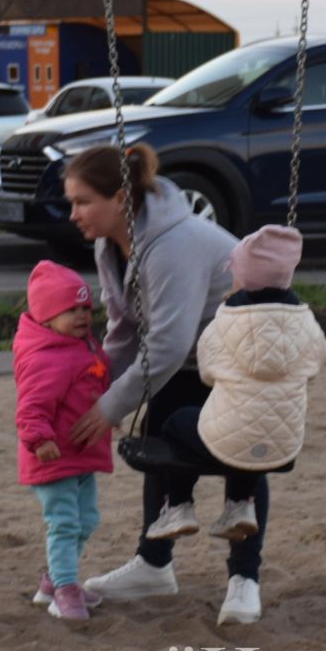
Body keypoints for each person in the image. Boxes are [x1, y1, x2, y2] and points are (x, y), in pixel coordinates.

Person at [63, 143, 272, 626]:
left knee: (243, 453)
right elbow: (124, 327)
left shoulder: (171, 245)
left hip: (247, 359)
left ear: (119, 198)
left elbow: (167, 345)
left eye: (82, 202)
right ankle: (153, 565)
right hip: (197, 354)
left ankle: (245, 579)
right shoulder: (108, 244)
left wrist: (109, 409)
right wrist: (93, 390)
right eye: (71, 202)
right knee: (157, 434)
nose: (72, 213)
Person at [152, 224, 326, 541]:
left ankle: (178, 505)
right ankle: (241, 504)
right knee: (253, 426)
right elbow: (317, 362)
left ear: (244, 278)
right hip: (284, 442)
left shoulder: (226, 321)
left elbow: (207, 371)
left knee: (178, 422)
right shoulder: (305, 320)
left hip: (230, 440)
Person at [12, 260, 111, 623]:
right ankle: (67, 588)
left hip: (80, 455)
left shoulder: (82, 346)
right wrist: (40, 441)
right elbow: (30, 408)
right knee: (65, 522)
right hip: (52, 457)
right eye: (72, 309)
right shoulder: (46, 359)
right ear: (47, 316)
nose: (84, 316)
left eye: (87, 308)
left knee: (87, 520)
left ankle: (53, 582)